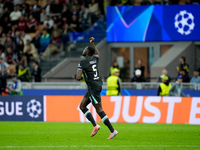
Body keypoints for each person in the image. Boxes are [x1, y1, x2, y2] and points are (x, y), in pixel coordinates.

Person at [76, 37, 118, 139]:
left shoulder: (83, 63)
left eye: (85, 49)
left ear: (87, 53)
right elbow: (97, 53)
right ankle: (95, 126)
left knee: (99, 109)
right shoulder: (94, 59)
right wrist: (93, 44)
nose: (83, 50)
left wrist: (80, 76)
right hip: (96, 85)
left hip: (93, 87)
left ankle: (112, 130)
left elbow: (78, 77)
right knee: (82, 106)